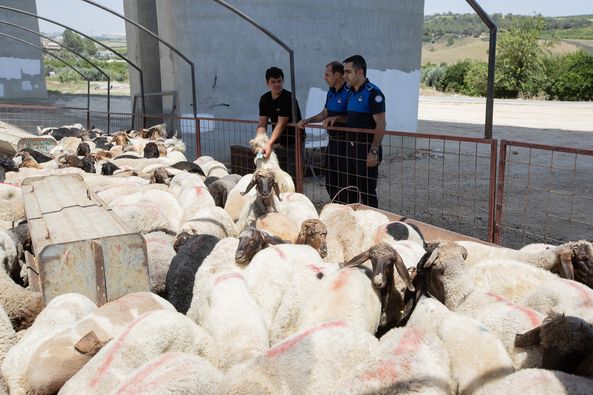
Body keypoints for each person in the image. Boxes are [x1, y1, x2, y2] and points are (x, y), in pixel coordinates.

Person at [297, 61, 351, 202]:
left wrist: (337, 118)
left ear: (337, 75)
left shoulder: (350, 92)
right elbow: (325, 113)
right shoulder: (331, 92)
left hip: (347, 143)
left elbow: (354, 117)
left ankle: (347, 206)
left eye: (327, 74)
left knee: (345, 178)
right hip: (332, 141)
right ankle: (335, 203)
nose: (324, 77)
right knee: (331, 178)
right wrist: (308, 120)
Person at [342, 55, 386, 208]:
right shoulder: (350, 92)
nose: (344, 76)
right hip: (351, 148)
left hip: (366, 148)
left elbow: (381, 123)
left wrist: (373, 151)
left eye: (348, 72)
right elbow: (352, 118)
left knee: (367, 191)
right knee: (351, 190)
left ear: (359, 72)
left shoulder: (373, 93)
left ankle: (373, 225)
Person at [256, 66, 304, 179]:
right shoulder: (264, 99)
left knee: (292, 176)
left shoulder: (288, 97)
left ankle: (294, 195)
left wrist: (268, 144)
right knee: (277, 174)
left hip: (293, 141)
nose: (277, 84)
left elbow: (281, 124)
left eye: (279, 81)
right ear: (267, 83)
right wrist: (259, 142)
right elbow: (262, 123)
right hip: (277, 142)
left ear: (283, 81)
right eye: (273, 82)